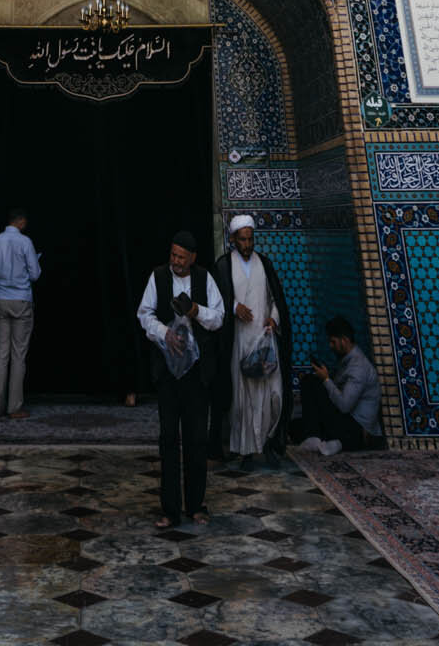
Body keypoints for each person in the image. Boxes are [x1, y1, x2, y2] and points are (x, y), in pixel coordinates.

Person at [137, 229, 224, 530]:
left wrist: (196, 310)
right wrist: (165, 333)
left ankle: (196, 505)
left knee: (197, 440)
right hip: (168, 375)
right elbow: (144, 314)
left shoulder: (204, 279)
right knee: (168, 440)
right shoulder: (158, 277)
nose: (175, 261)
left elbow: (219, 317)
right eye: (173, 255)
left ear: (193, 259)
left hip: (197, 376)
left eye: (181, 257)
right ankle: (170, 509)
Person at [210, 213, 293, 468]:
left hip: (264, 340)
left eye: (250, 239)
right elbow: (214, 299)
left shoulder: (264, 264)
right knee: (242, 400)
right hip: (238, 342)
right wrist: (234, 307)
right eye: (242, 240)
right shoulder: (224, 265)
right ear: (233, 239)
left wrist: (274, 319)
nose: (247, 244)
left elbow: (275, 299)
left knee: (273, 395)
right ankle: (245, 450)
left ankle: (268, 442)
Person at [0, 207, 41, 421]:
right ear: (22, 221)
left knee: (1, 353)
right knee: (18, 355)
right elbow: (35, 274)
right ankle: (14, 406)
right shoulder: (25, 243)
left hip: (1, 300)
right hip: (21, 301)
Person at [296, 315, 383, 453]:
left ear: (344, 340)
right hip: (349, 424)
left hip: (357, 429)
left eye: (333, 342)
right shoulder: (347, 361)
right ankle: (333, 442)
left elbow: (344, 406)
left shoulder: (358, 366)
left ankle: (317, 437)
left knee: (311, 383)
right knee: (295, 426)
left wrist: (325, 380)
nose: (331, 346)